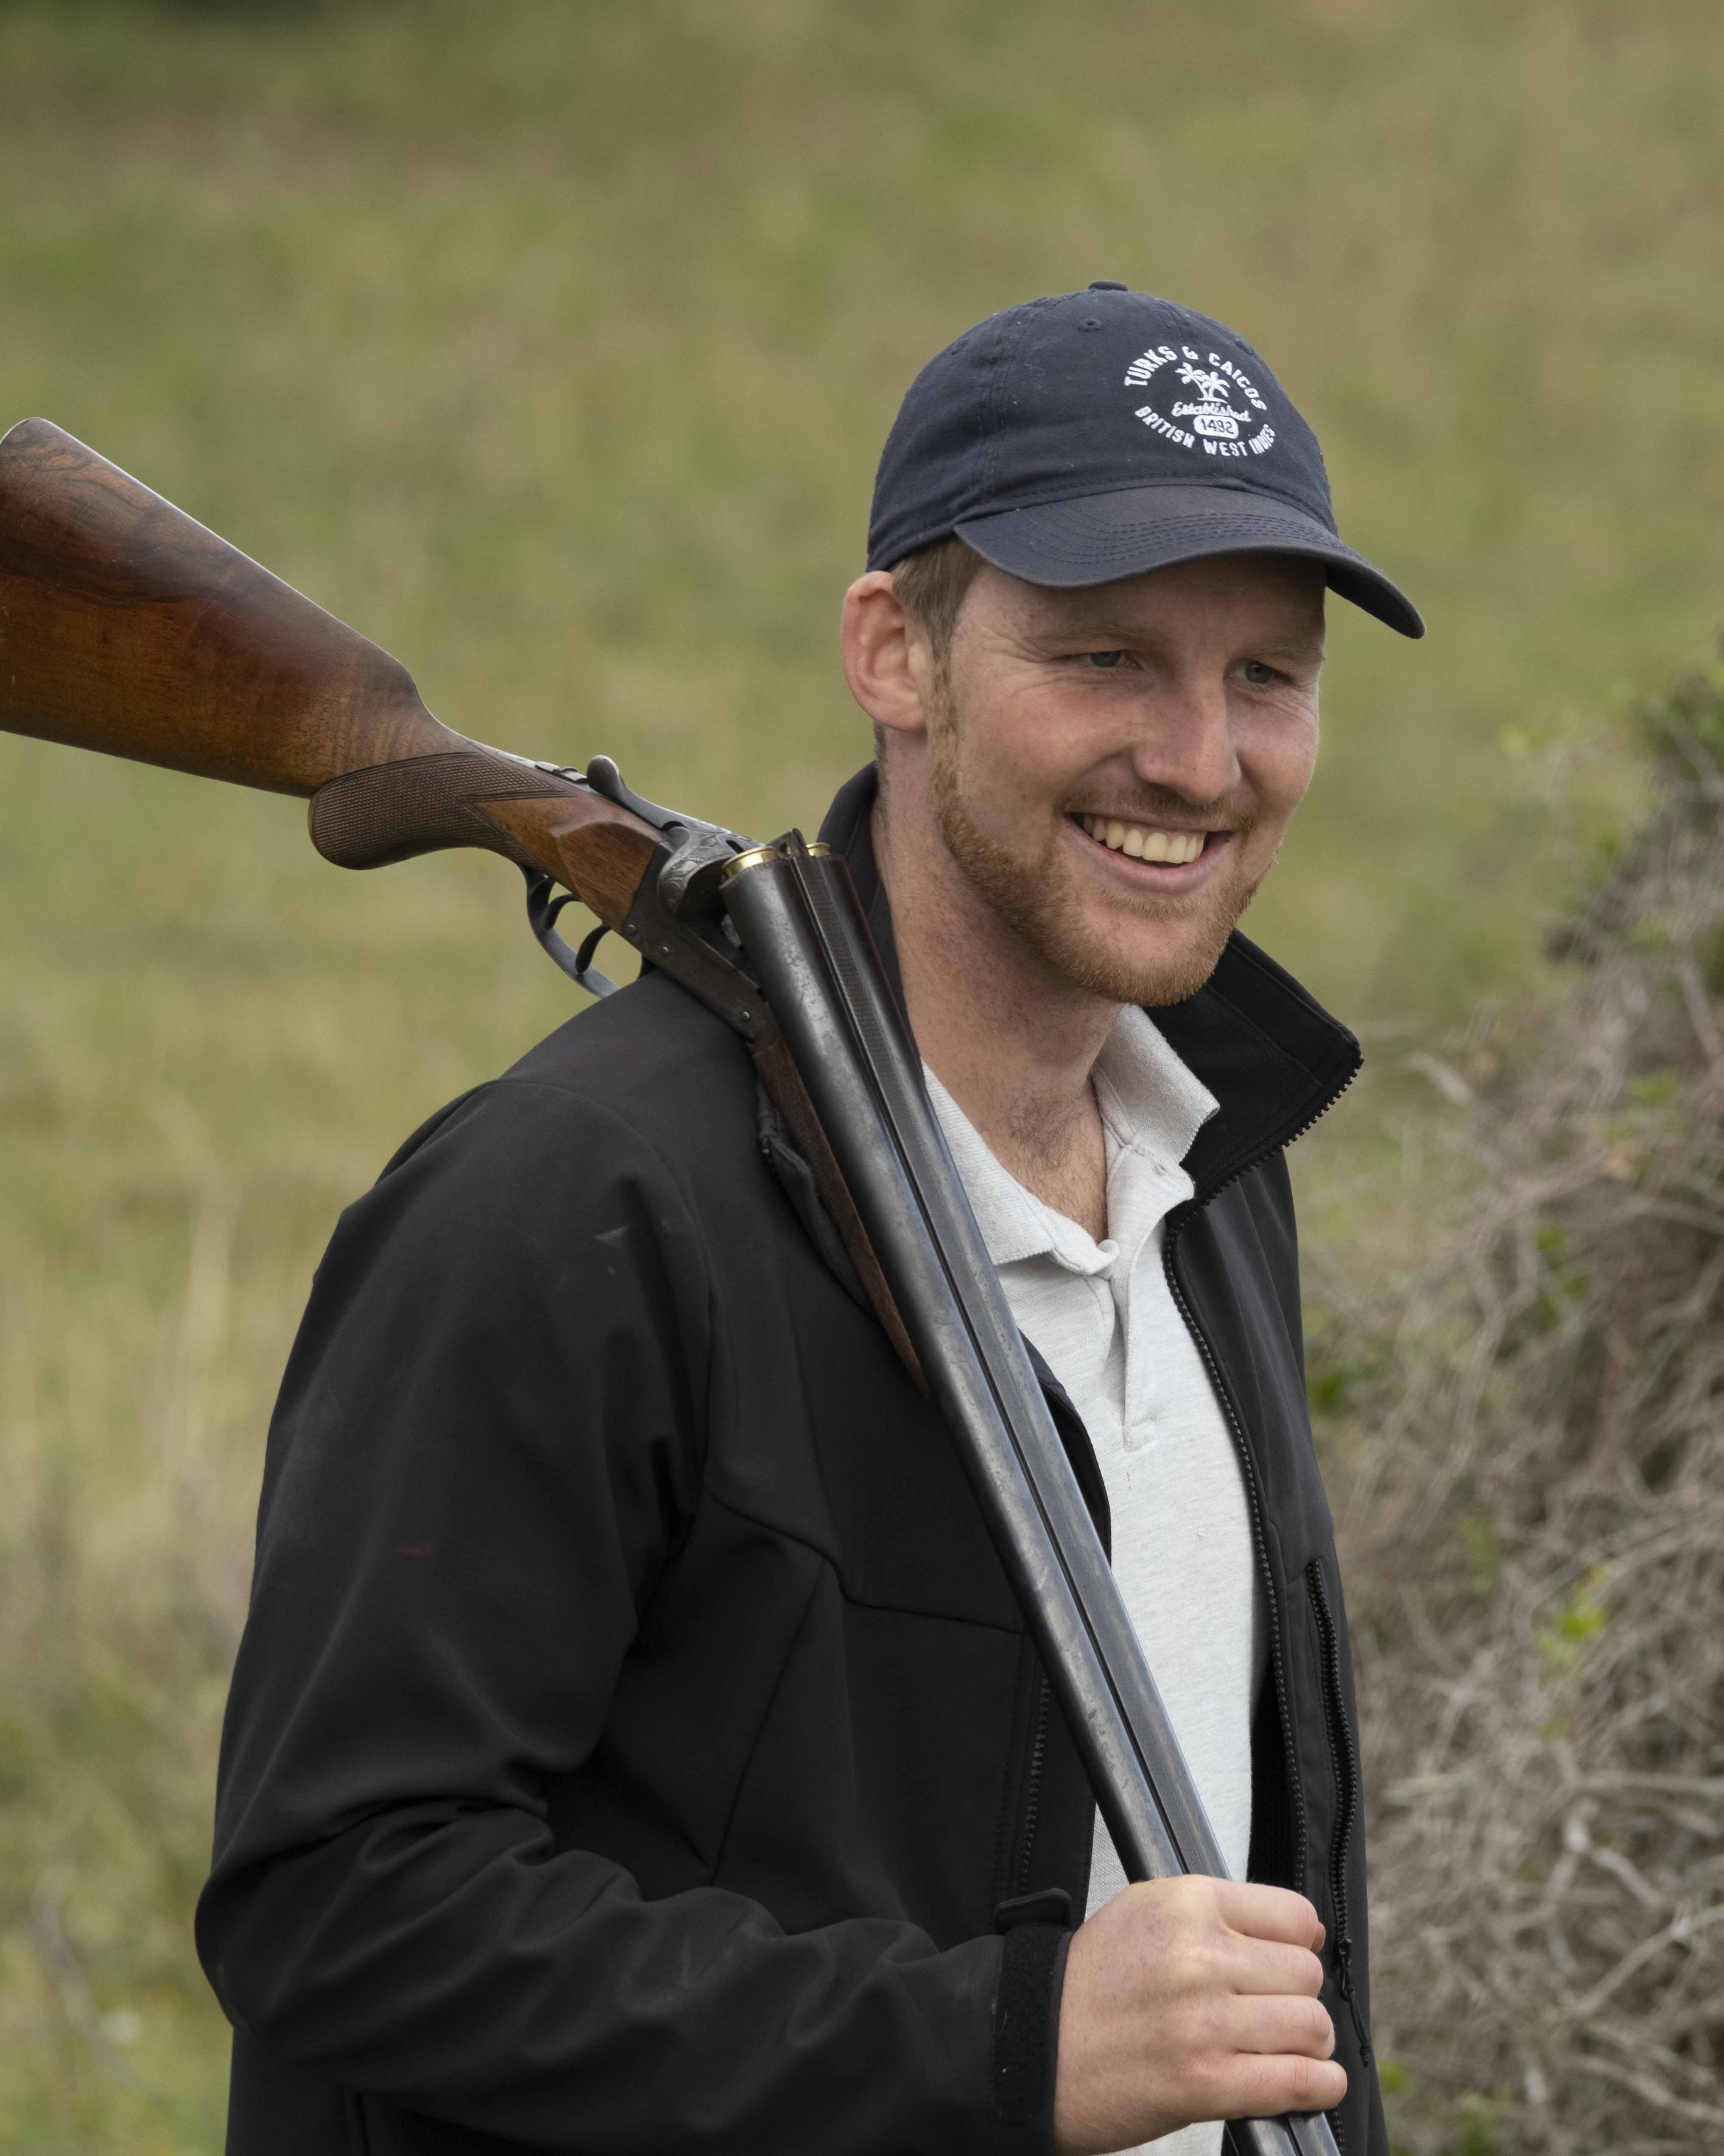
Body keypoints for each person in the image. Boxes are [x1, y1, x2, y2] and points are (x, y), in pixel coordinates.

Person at [197, 285, 1422, 2156]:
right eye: (1104, 658)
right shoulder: (567, 1201)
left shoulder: (1214, 1165)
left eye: (1267, 674)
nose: (1200, 758)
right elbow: (340, 1903)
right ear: (893, 653)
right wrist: (997, 2045)